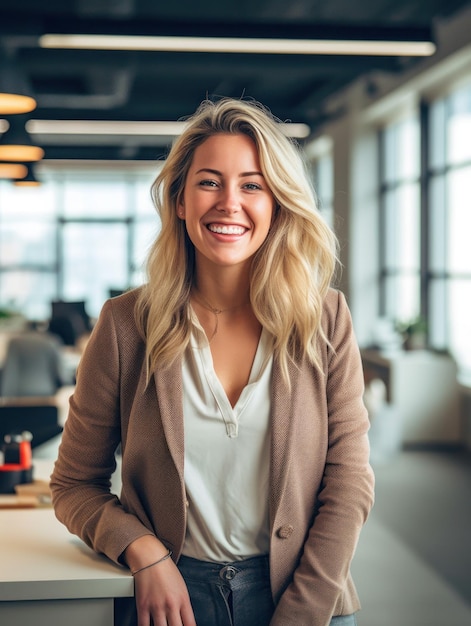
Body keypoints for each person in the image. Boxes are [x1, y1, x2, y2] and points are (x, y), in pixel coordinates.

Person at [50, 97, 374, 626]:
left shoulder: (325, 318)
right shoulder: (126, 324)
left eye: (252, 184)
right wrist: (143, 551)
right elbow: (73, 484)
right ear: (179, 201)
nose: (230, 202)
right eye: (209, 182)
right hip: (171, 601)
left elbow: (349, 482)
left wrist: (302, 612)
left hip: (306, 595)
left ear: (277, 203)